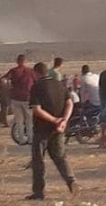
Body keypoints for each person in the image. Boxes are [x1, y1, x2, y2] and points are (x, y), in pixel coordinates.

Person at [27, 62, 78, 200]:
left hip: (42, 129)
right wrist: (64, 120)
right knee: (60, 157)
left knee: (38, 161)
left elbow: (37, 110)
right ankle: (71, 181)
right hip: (58, 129)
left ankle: (39, 192)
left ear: (36, 73)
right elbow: (69, 103)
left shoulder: (37, 87)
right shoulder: (59, 84)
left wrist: (54, 120)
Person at [2, 54, 37, 144]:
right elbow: (36, 83)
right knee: (29, 120)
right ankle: (30, 139)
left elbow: (3, 80)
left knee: (19, 121)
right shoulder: (30, 71)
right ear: (25, 61)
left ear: (17, 61)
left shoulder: (13, 71)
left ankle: (21, 139)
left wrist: (8, 88)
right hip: (27, 98)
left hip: (15, 98)